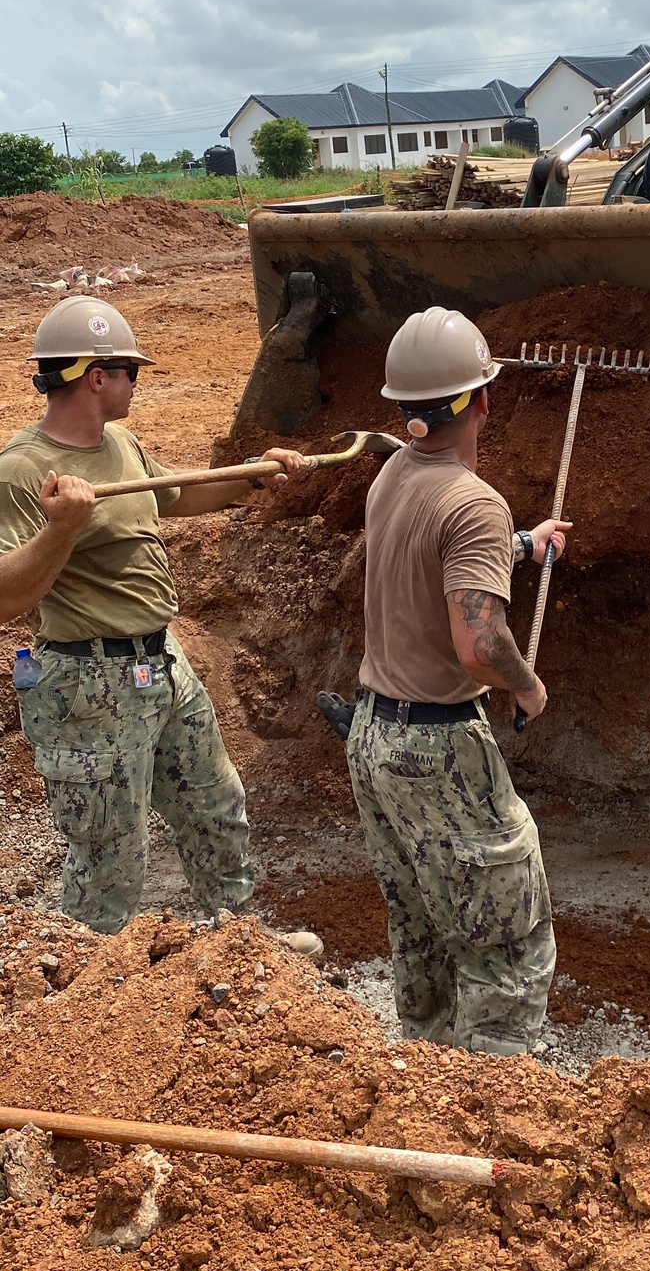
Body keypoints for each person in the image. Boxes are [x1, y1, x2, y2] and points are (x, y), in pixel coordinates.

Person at [0, 295, 303, 935]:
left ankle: (241, 952)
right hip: (88, 681)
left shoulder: (121, 442)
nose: (138, 380)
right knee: (109, 852)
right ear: (97, 376)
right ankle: (87, 995)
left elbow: (179, 493)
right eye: (131, 369)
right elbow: (8, 599)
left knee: (216, 808)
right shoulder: (24, 470)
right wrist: (62, 529)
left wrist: (254, 476)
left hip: (159, 664)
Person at [344, 305, 569, 1055]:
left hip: (375, 733)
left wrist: (523, 545)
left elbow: (433, 548)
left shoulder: (394, 477)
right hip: (438, 747)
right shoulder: (473, 501)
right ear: (482, 398)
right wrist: (528, 688)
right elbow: (479, 646)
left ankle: (427, 1085)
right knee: (508, 951)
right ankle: (494, 1107)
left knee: (423, 931)